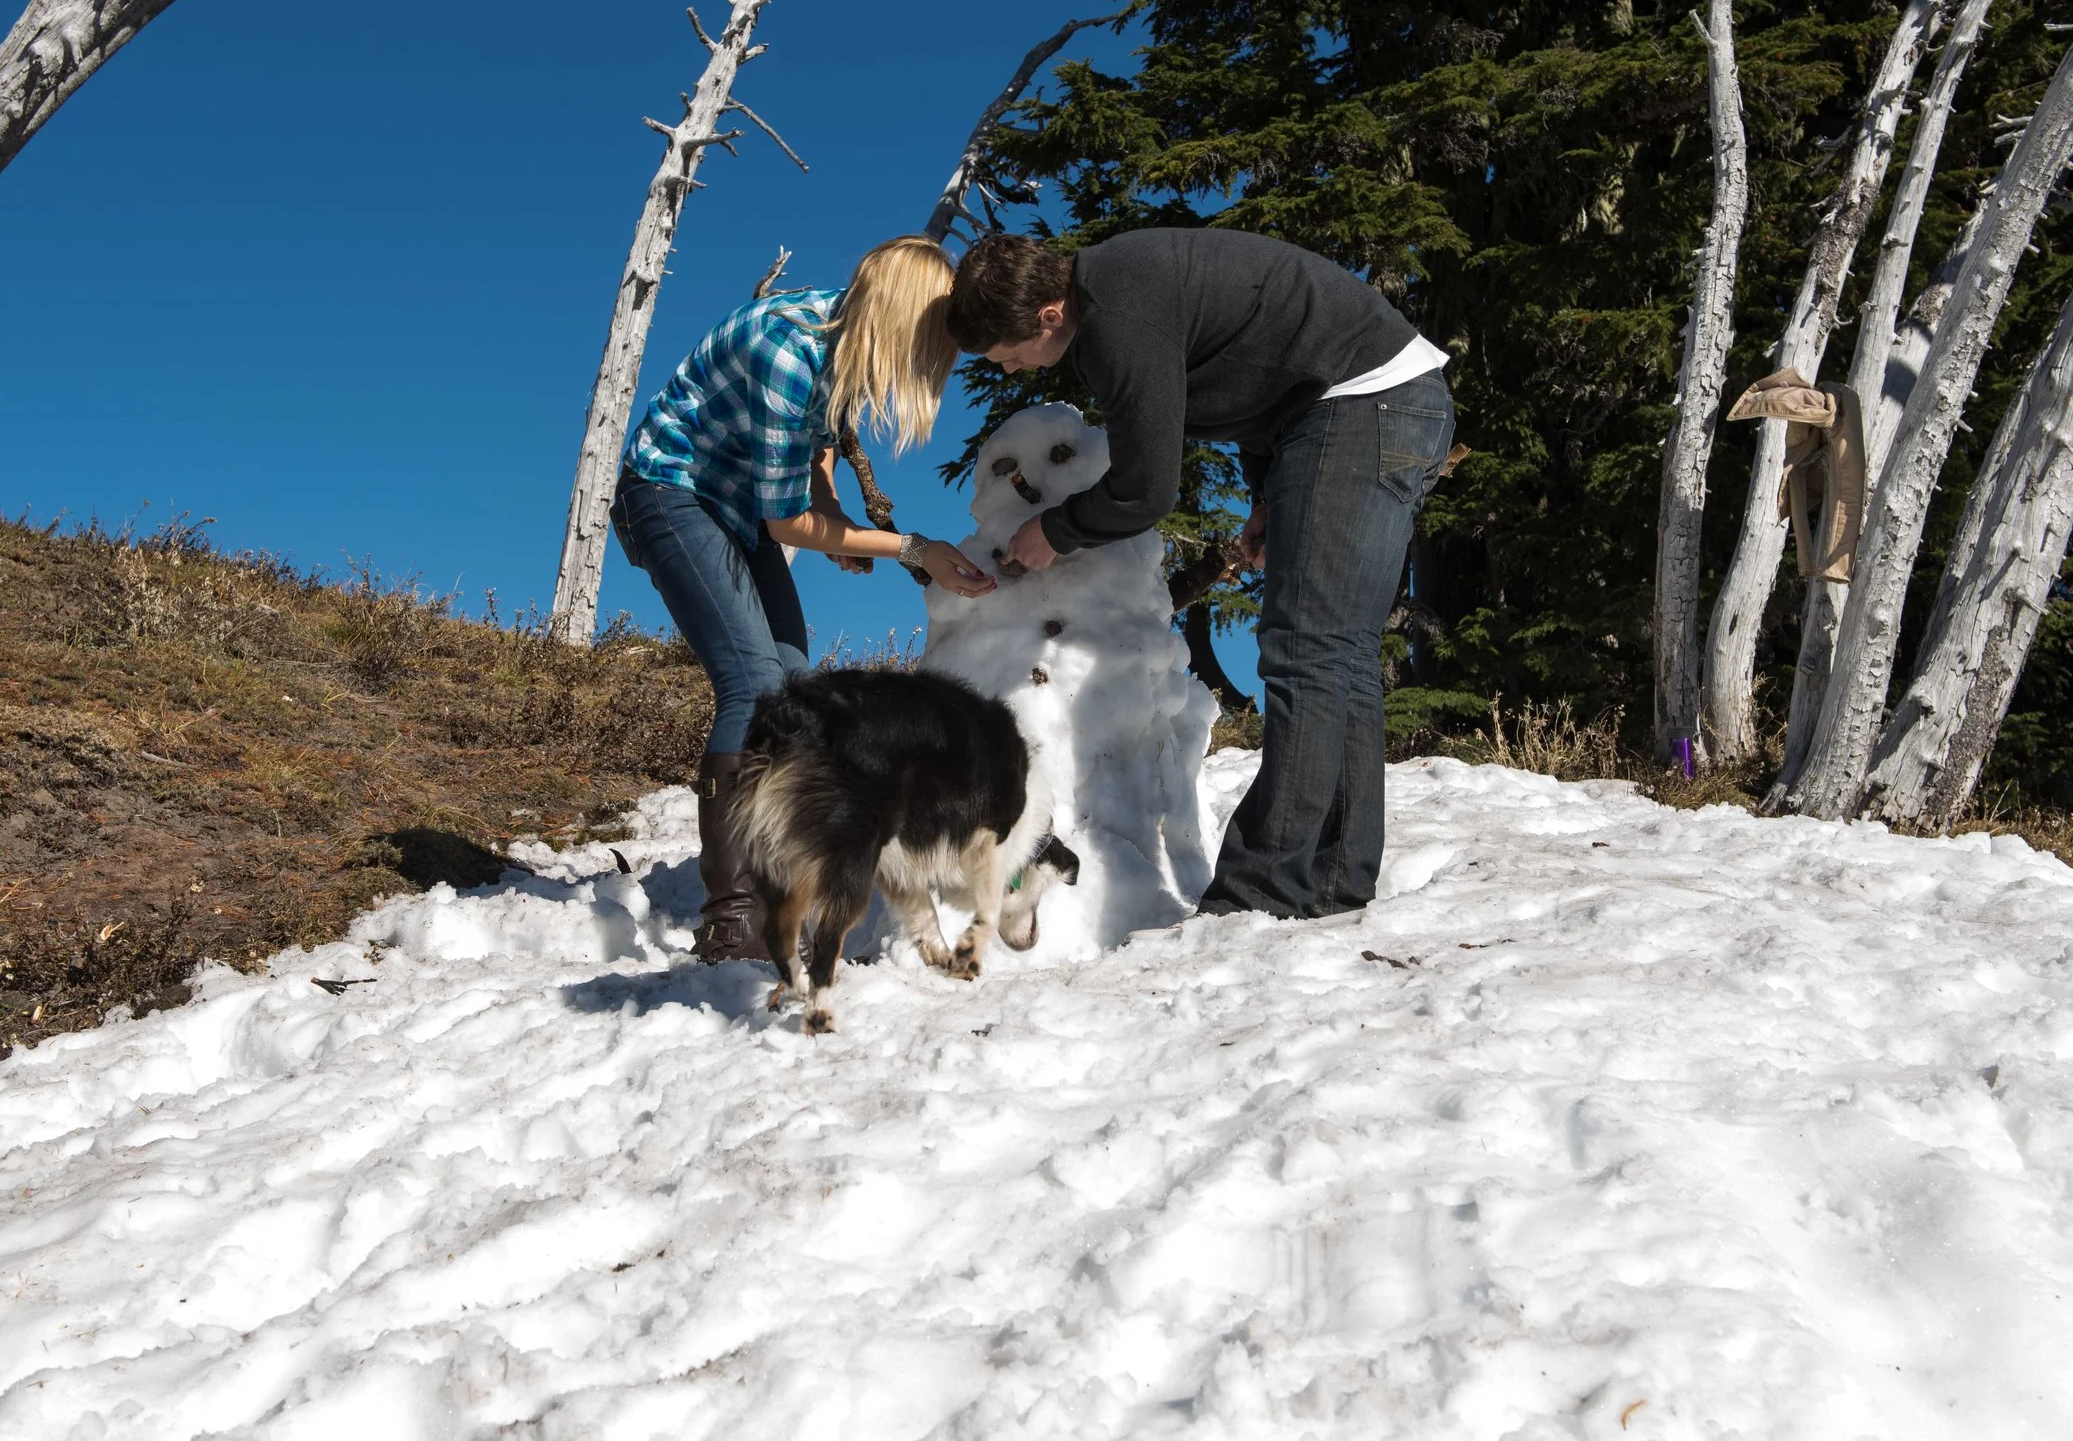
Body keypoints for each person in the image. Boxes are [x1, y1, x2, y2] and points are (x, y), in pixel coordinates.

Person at [944, 227, 1453, 920]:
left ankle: (1264, 890)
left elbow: (1144, 490)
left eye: (1009, 354)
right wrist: (1269, 494)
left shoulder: (1116, 317)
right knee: (1339, 653)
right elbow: (1260, 378)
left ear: (1049, 315)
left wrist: (1055, 533)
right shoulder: (1116, 289)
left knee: (1309, 648)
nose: (1010, 370)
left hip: (1365, 401)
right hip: (1362, 406)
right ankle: (1332, 881)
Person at [613, 235, 997, 962]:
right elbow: (786, 524)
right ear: (901, 320)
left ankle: (781, 887)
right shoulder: (787, 351)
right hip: (670, 492)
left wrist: (837, 518)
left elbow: (815, 450)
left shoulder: (840, 339)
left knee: (792, 686)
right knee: (753, 685)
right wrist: (910, 549)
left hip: (738, 505)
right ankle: (734, 921)